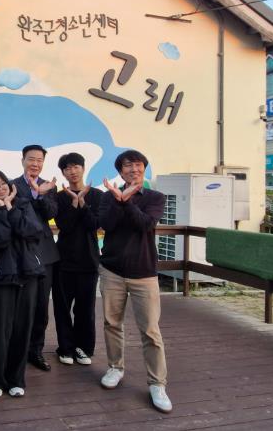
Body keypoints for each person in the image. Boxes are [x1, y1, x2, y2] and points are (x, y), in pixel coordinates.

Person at [98, 150, 172, 413]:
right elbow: (106, 224)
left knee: (150, 330)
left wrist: (126, 201)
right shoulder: (108, 197)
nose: (133, 169)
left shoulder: (155, 197)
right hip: (112, 271)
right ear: (120, 172)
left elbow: (145, 224)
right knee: (112, 323)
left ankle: (157, 383)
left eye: (138, 165)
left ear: (144, 169)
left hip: (144, 273)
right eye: (127, 166)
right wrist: (118, 200)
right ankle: (115, 367)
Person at [0, 170, 44, 398]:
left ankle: (16, 379)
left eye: (3, 183)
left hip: (28, 274)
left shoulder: (23, 204)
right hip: (1, 275)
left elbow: (32, 230)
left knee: (22, 328)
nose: (0, 188)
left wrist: (9, 207)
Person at [11, 144, 59, 371]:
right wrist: (31, 194)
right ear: (23, 160)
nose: (35, 164)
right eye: (31, 159)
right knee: (21, 305)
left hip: (45, 254)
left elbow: (50, 213)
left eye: (40, 160)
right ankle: (17, 349)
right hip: (21, 253)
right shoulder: (12, 185)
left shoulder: (49, 186)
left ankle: (36, 351)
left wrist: (40, 193)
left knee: (41, 306)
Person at [53, 152, 103, 367]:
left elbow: (95, 225)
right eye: (67, 168)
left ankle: (83, 348)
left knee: (85, 309)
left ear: (83, 168)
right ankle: (65, 348)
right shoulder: (59, 197)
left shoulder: (98, 195)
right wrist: (74, 203)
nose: (72, 171)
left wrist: (82, 202)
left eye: (76, 166)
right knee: (62, 308)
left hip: (88, 261)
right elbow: (64, 226)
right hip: (63, 261)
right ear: (63, 172)